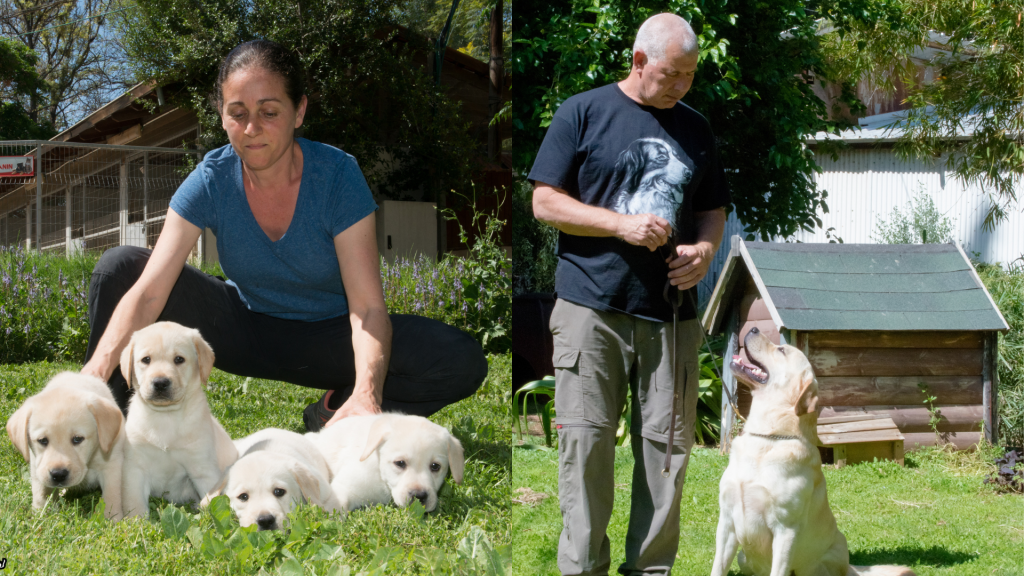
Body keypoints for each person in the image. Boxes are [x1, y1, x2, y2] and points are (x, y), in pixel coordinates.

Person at [81, 39, 488, 431]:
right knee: (120, 268)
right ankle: (102, 423)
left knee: (459, 357)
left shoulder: (337, 177)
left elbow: (367, 309)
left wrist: (367, 392)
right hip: (242, 328)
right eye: (237, 112)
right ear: (222, 116)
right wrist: (93, 379)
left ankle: (338, 413)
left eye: (269, 112)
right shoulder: (211, 178)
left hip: (327, 339)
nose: (252, 128)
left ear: (298, 112)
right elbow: (150, 291)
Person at [529, 14, 730, 576]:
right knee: (586, 451)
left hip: (671, 315)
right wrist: (620, 225)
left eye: (690, 75)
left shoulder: (696, 128)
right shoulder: (584, 111)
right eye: (672, 73)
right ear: (639, 61)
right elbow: (545, 202)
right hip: (591, 309)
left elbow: (713, 211)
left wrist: (706, 252)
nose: (682, 85)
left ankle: (650, 571)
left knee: (667, 454)